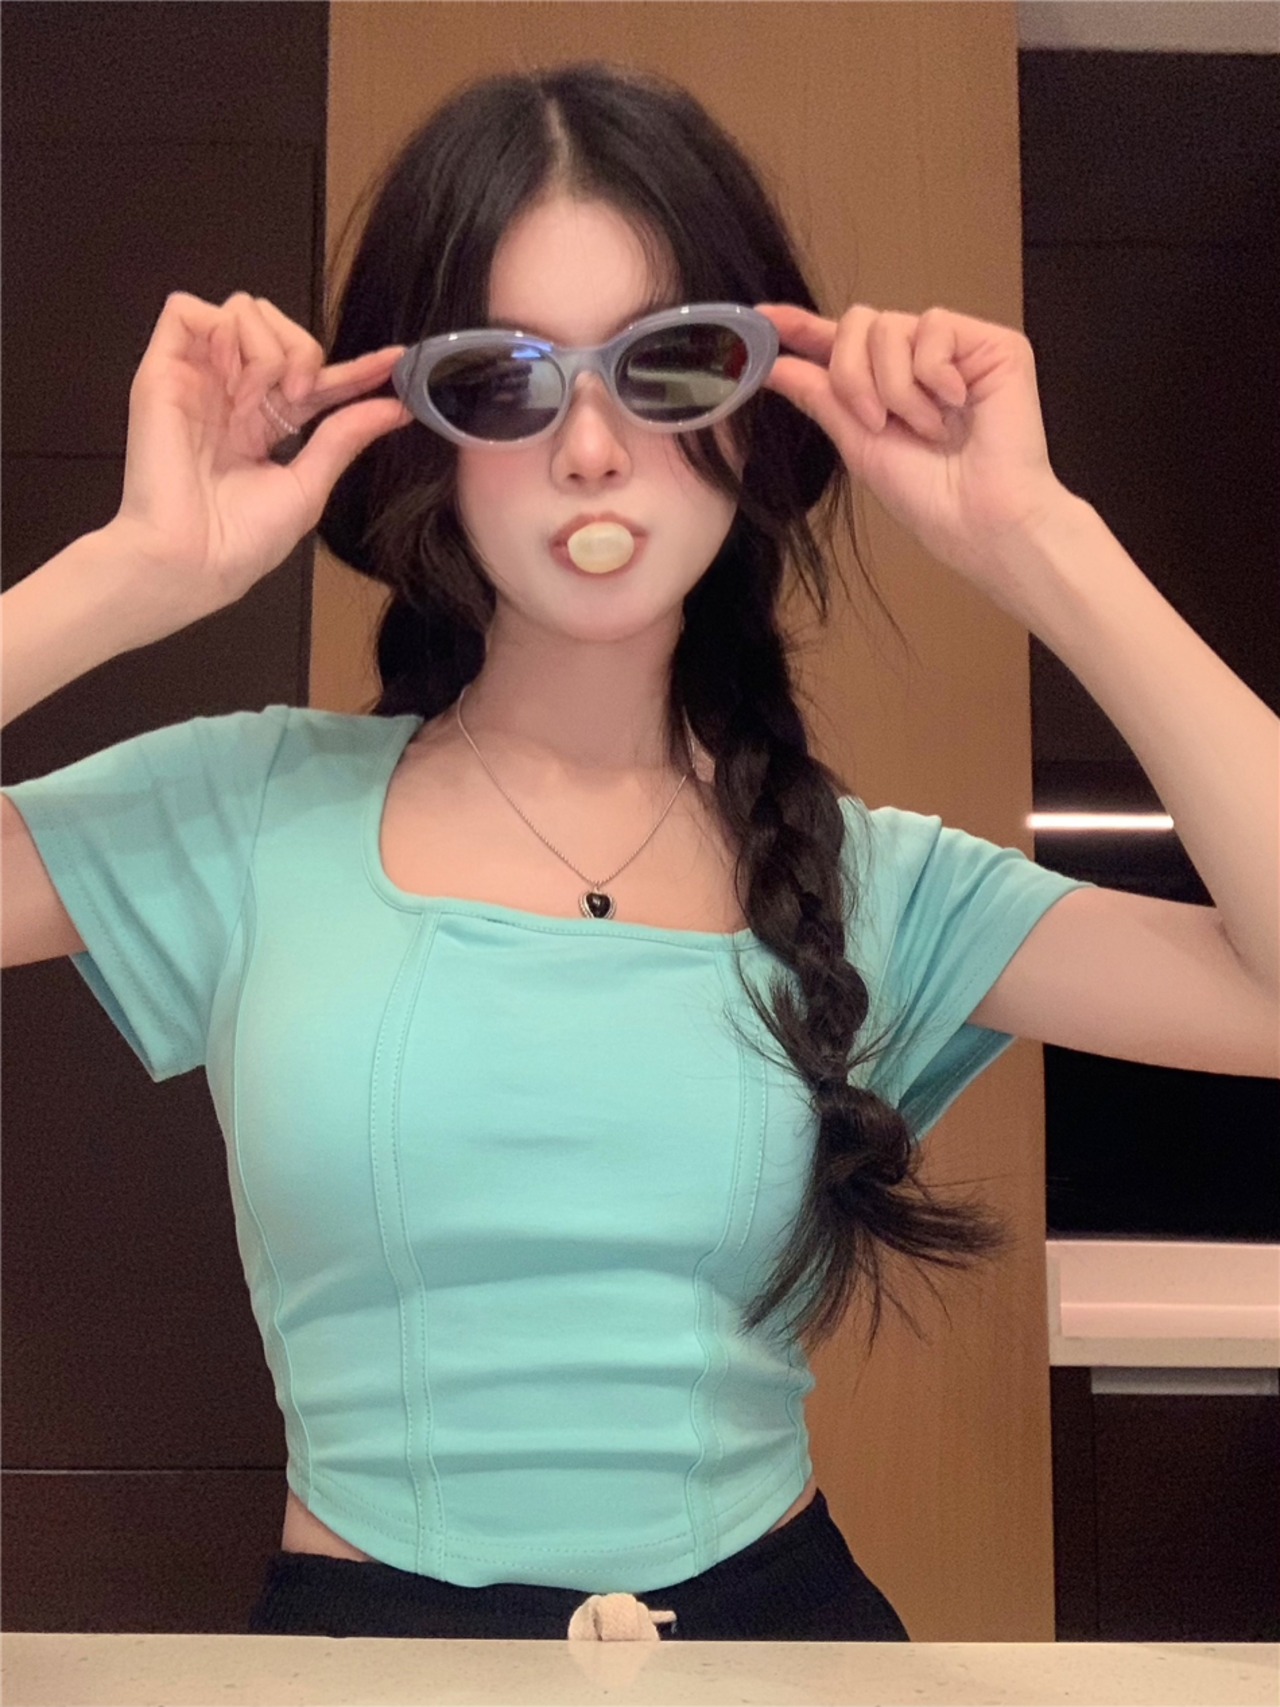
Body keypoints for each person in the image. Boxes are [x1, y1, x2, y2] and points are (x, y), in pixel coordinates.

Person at [2, 61, 1274, 1645]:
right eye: (505, 380)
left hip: (782, 1645)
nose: (592, 451)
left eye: (668, 365)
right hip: (360, 1650)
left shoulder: (871, 880)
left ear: (758, 400)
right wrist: (128, 574)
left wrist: (1043, 543)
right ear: (416, 429)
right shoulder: (251, 809)